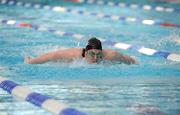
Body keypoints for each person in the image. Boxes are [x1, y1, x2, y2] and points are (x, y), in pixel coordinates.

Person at [25, 37, 137, 64]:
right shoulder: (73, 54)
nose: (95, 58)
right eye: (92, 54)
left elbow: (129, 60)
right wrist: (31, 61)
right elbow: (50, 56)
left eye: (99, 55)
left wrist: (135, 62)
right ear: (86, 51)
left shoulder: (111, 55)